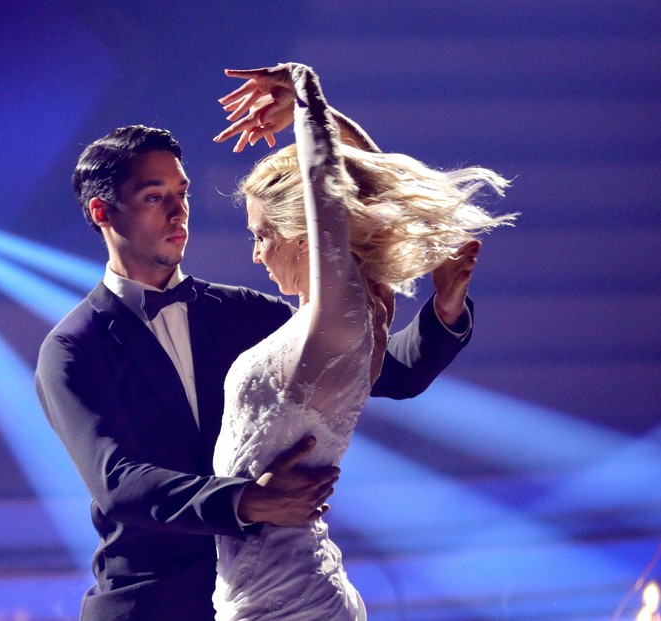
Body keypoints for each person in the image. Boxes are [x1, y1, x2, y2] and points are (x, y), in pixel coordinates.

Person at [34, 87, 489, 619]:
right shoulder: (72, 346)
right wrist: (245, 501)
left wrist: (445, 312)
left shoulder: (244, 311)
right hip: (151, 603)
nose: (179, 212)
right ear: (102, 212)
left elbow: (389, 370)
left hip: (273, 596)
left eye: (183, 194)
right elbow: (118, 482)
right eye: (156, 197)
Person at [208, 63, 515, 620]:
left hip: (287, 605)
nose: (255, 254)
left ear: (304, 232)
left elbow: (330, 192)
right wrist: (328, 120)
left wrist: (307, 94)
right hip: (278, 591)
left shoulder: (341, 316)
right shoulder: (357, 308)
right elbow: (366, 184)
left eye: (262, 235)